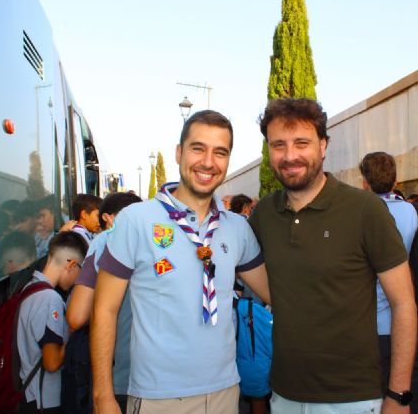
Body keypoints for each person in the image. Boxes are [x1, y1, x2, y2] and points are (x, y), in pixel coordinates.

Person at [91, 110, 270, 414]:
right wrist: (103, 396)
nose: (208, 162)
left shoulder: (237, 228)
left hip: (225, 392)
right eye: (198, 148)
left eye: (220, 152)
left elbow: (273, 292)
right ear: (179, 152)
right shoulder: (136, 220)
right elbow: (104, 309)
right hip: (156, 397)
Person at [249, 98, 416, 414]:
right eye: (278, 145)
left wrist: (399, 395)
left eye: (302, 143)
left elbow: (404, 302)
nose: (290, 156)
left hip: (352, 399)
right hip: (283, 395)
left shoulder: (365, 210)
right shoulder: (265, 214)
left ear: (323, 146)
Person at [360, 152, 418, 414]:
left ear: (364, 183)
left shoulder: (357, 214)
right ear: (396, 181)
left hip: (369, 328)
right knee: (406, 401)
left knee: (369, 403)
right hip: (417, 323)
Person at [66, 192, 142, 413]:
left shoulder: (105, 240)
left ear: (109, 217)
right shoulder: (160, 239)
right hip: (160, 378)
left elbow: (76, 316)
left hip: (117, 376)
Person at [16, 231, 88, 413]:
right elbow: (52, 362)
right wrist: (73, 331)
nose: (78, 280)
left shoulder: (29, 287)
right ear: (71, 265)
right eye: (80, 270)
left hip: (28, 394)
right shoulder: (50, 299)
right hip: (44, 400)